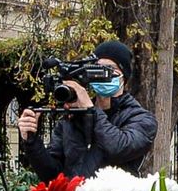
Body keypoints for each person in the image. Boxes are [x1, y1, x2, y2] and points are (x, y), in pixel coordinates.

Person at [16, 40, 158, 180]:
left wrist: (90, 110)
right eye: (96, 69)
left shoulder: (141, 118)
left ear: (123, 76)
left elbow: (118, 148)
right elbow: (52, 175)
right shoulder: (73, 117)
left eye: (109, 69)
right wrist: (32, 141)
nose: (101, 74)